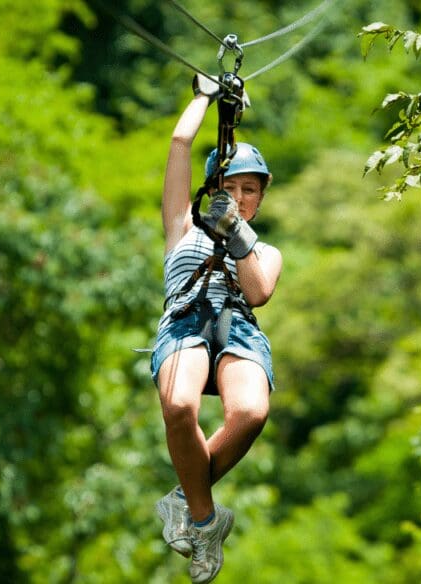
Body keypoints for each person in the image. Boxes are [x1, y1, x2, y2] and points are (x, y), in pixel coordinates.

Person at [150, 74, 282, 583]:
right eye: (229, 187)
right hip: (186, 320)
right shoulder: (181, 225)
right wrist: (204, 98)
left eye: (250, 190)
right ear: (212, 189)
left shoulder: (266, 250)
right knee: (180, 406)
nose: (240, 196)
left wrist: (237, 233)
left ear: (260, 200)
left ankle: (186, 498)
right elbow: (181, 143)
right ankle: (206, 521)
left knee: (250, 410)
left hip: (238, 329)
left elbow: (259, 292)